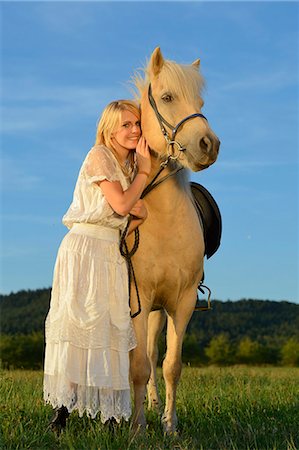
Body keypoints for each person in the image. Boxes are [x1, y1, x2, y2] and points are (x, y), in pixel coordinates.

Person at [43, 99, 151, 433]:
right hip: (84, 249)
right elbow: (120, 204)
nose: (134, 130)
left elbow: (121, 220)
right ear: (109, 129)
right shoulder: (99, 155)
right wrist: (145, 174)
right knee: (80, 327)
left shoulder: (128, 166)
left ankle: (109, 416)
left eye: (137, 124)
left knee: (109, 327)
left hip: (109, 252)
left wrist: (137, 218)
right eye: (126, 125)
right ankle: (62, 412)